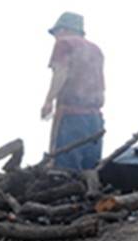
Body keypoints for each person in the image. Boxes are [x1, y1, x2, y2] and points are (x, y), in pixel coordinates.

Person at [41, 11, 107, 171]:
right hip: (95, 119)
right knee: (90, 168)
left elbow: (61, 71)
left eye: (56, 33)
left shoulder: (64, 43)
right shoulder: (96, 50)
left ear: (62, 29)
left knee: (64, 167)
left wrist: (49, 101)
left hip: (71, 115)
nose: (55, 37)